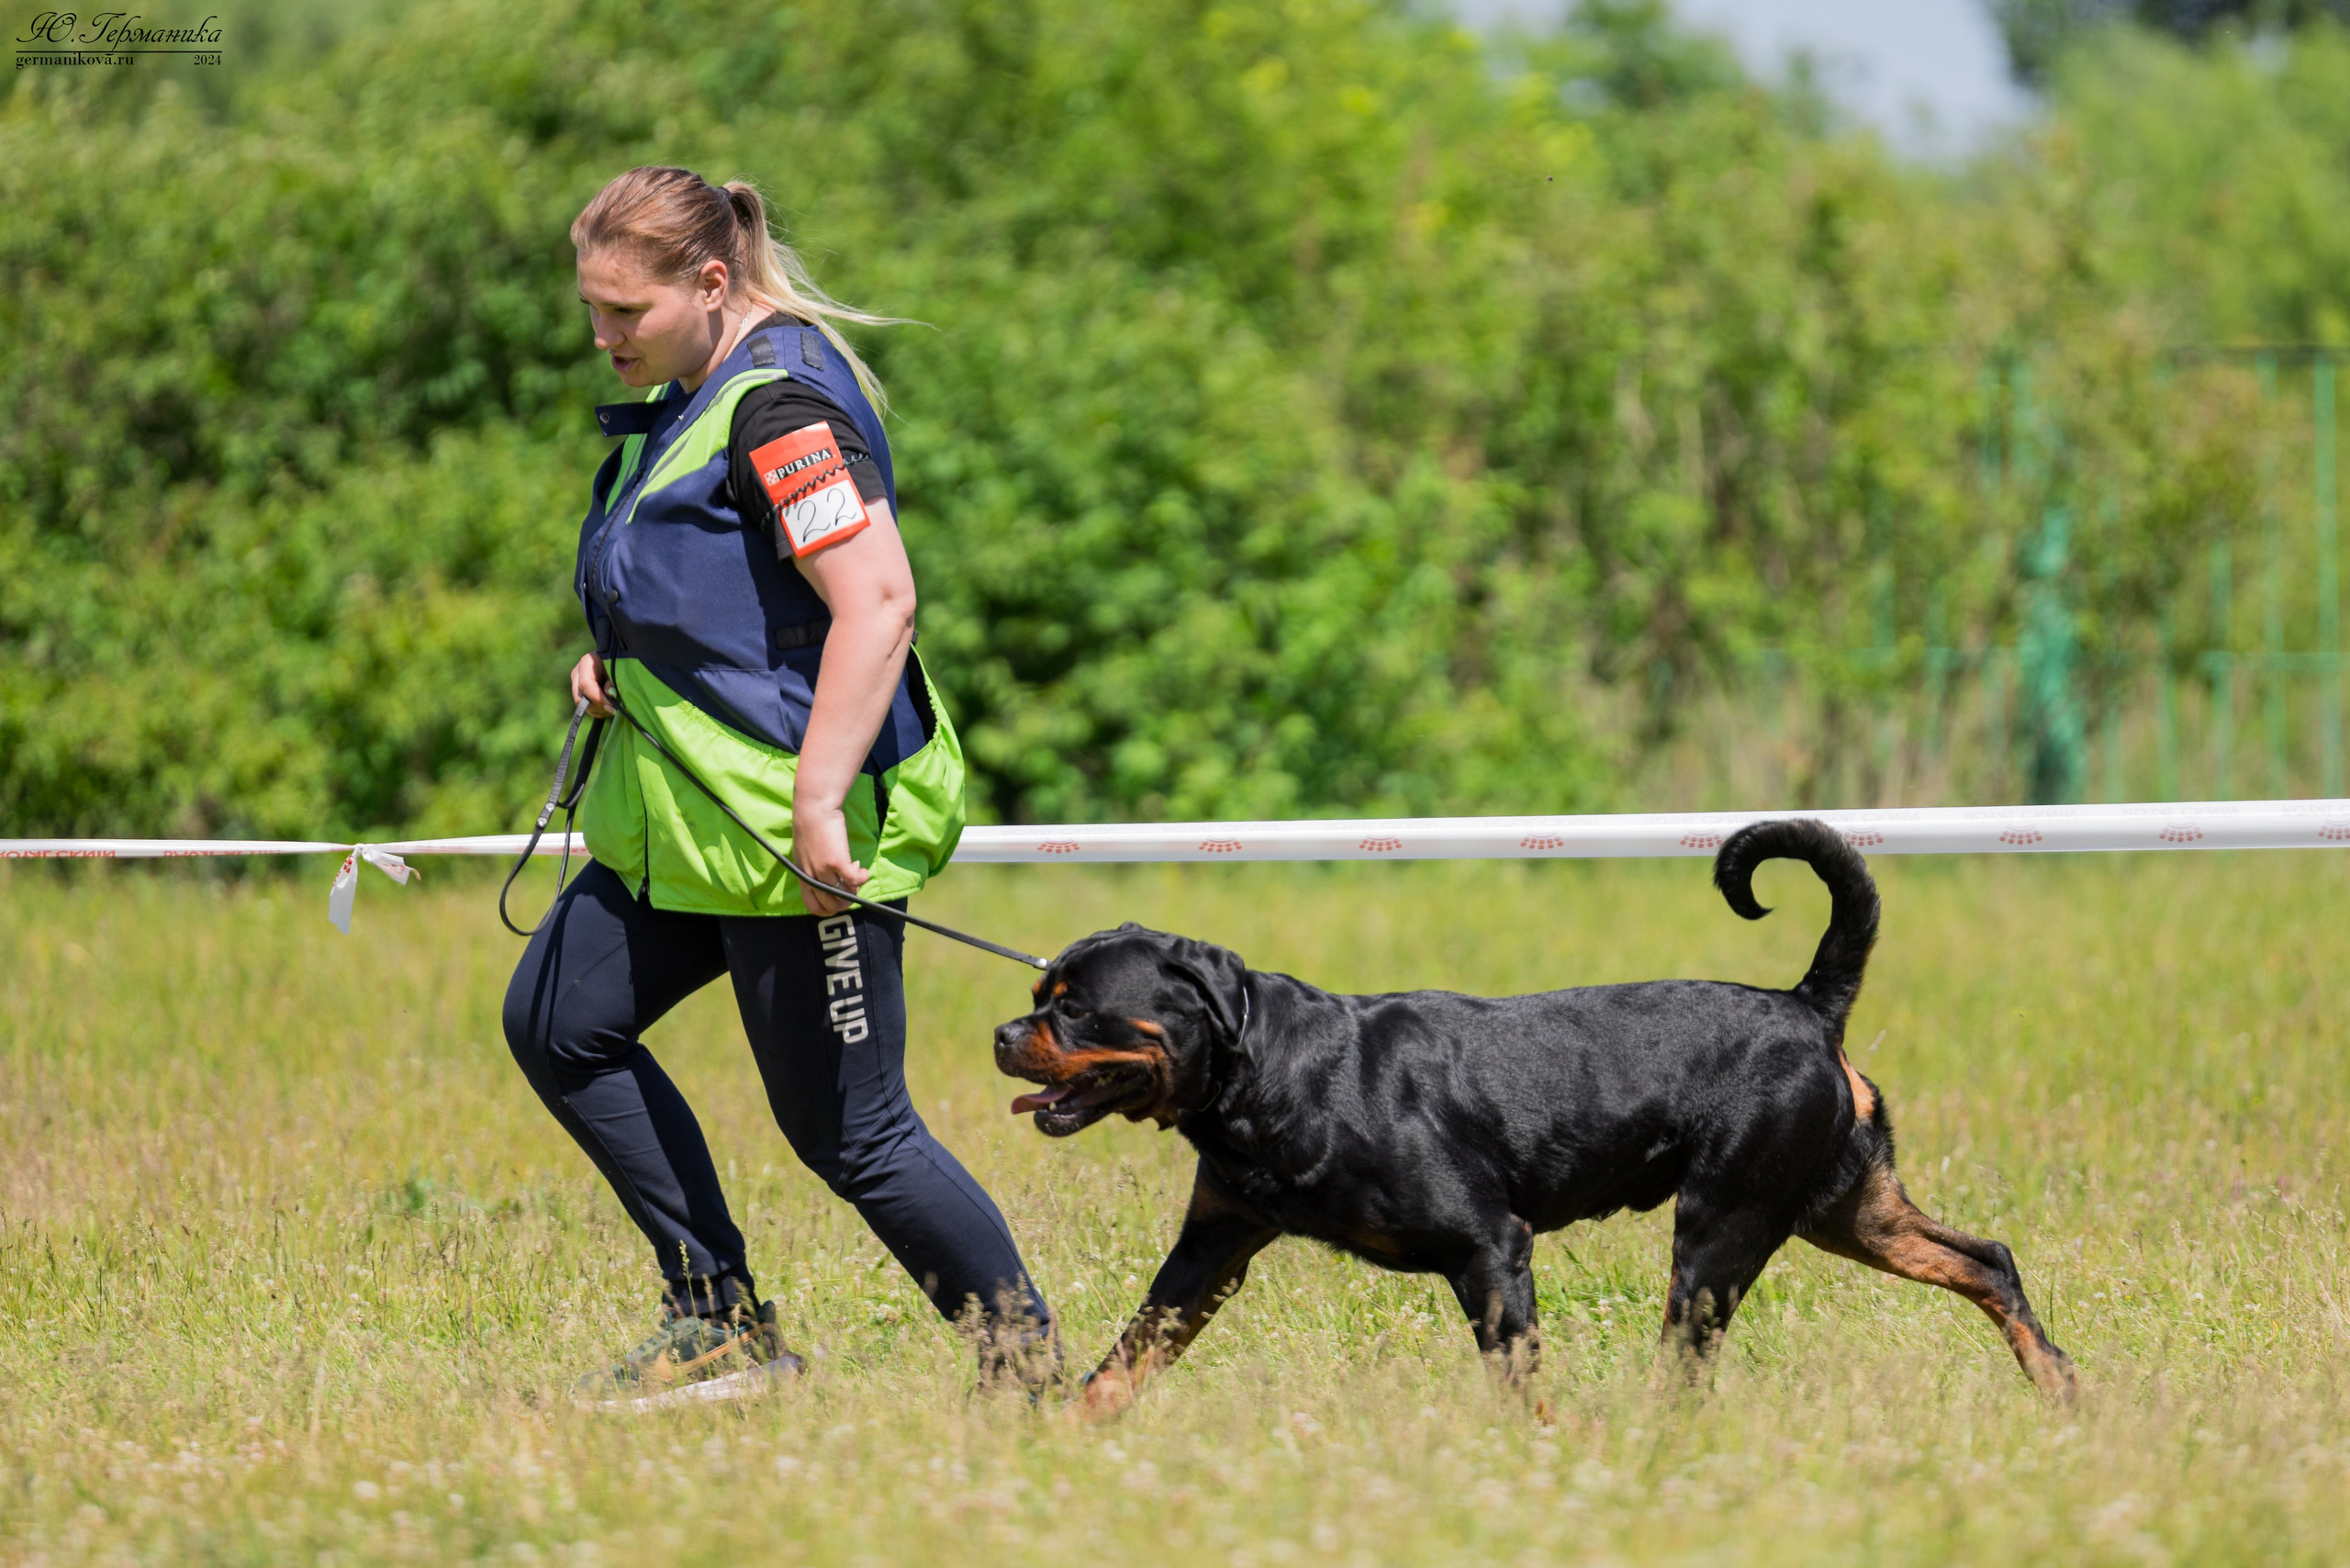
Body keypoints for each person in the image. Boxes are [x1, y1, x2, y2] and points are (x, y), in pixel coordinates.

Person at [502, 165, 1052, 1403]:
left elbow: (880, 601)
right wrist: (621, 664)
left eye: (623, 313)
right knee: (557, 1023)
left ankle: (1032, 1380)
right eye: (590, 310)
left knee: (855, 1136)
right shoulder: (703, 391)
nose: (601, 338)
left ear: (709, 283)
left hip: (797, 841)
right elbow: (726, 599)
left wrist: (816, 809)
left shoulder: (780, 408)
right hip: (694, 826)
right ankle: (719, 1324)